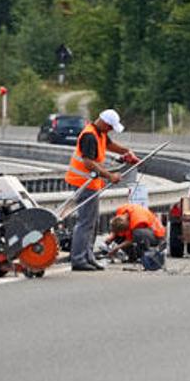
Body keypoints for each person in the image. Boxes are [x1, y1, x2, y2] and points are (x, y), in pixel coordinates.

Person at [65, 109, 138, 271]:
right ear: (104, 123)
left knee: (92, 222)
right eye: (110, 127)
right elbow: (88, 162)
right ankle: (78, 259)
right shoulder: (90, 136)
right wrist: (109, 176)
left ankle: (88, 257)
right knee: (85, 222)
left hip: (91, 184)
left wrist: (127, 152)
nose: (111, 130)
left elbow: (110, 145)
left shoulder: (100, 133)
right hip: (83, 184)